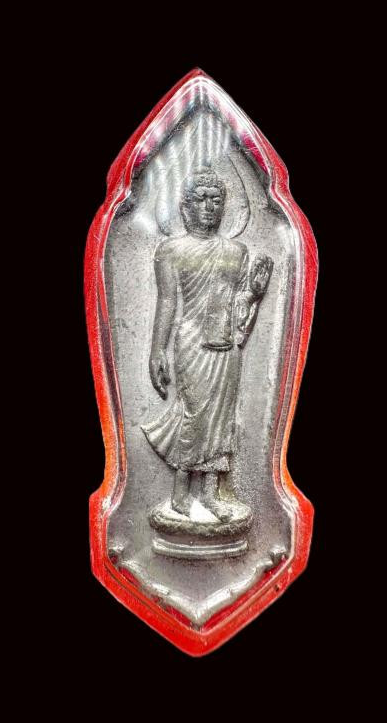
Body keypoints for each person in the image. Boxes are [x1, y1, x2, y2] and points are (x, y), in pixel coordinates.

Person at [141, 167, 272, 522]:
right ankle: (180, 492)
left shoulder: (236, 251)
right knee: (195, 413)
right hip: (192, 342)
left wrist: (253, 293)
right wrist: (157, 349)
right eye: (201, 199)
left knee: (221, 418)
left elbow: (238, 304)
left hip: (226, 343)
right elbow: (167, 302)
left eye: (216, 200)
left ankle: (211, 494)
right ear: (185, 208)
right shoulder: (171, 250)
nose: (209, 207)